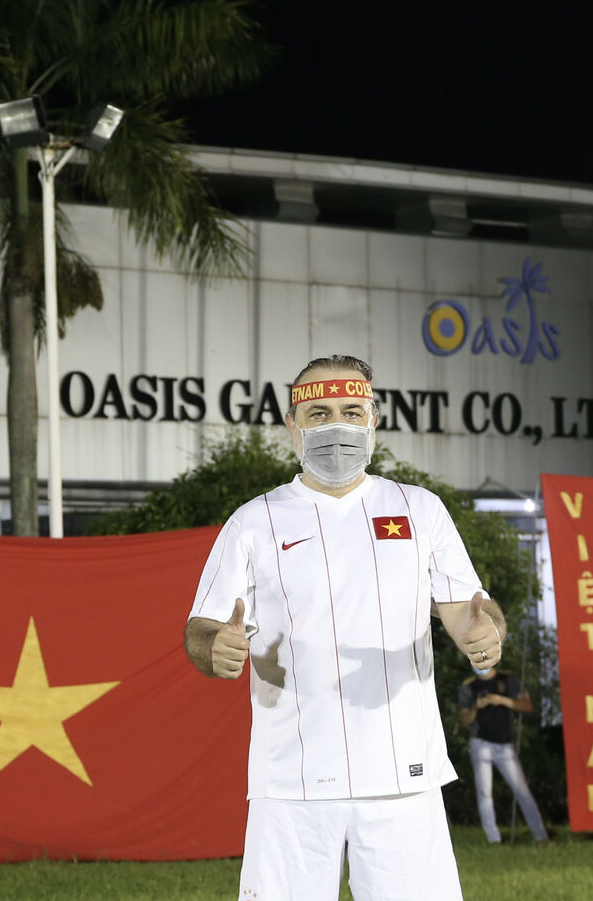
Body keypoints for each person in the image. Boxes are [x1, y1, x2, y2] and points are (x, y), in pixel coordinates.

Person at [185, 354, 505, 901]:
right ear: (293, 425)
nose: (337, 427)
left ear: (373, 419)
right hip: (293, 778)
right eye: (318, 414)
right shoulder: (254, 521)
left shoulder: (419, 510)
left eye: (351, 411)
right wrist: (214, 646)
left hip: (404, 775)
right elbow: (203, 626)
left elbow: (467, 609)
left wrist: (485, 632)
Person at [459, 664, 549, 844]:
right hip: (481, 743)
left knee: (522, 791)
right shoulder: (468, 686)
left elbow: (527, 706)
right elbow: (464, 721)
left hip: (505, 746)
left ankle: (541, 836)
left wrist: (501, 700)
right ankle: (494, 840)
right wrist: (476, 707)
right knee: (484, 792)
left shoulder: (508, 679)